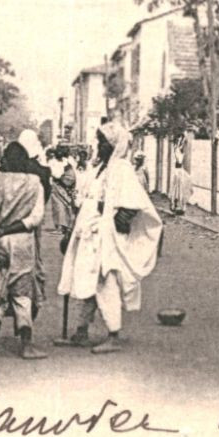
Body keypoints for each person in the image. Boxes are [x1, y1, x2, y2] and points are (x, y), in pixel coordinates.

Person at [56, 120, 163, 354]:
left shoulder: (122, 169)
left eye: (103, 142)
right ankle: (81, 331)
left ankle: (113, 334)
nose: (99, 145)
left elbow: (133, 203)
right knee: (87, 281)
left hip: (107, 239)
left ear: (114, 145)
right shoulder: (100, 169)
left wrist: (116, 222)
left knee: (106, 283)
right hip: (89, 235)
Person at [0, 142, 49, 360]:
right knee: (22, 295)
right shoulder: (35, 183)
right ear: (25, 162)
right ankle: (26, 346)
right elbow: (35, 219)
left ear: (4, 161)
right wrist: (11, 229)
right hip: (23, 243)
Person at [168, 145, 193, 216]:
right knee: (176, 190)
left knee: (179, 190)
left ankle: (180, 206)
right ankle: (176, 206)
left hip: (179, 172)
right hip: (178, 171)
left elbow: (179, 160)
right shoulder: (177, 152)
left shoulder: (179, 154)